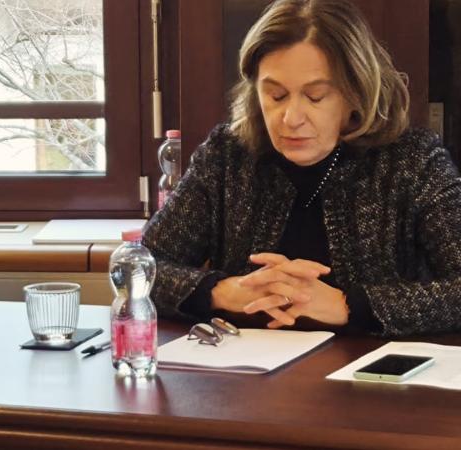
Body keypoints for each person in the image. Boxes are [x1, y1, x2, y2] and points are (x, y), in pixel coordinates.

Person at [143, 0, 461, 336]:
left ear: (356, 94)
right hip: (244, 364)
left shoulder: (412, 160)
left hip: (372, 367)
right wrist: (222, 292)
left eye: (316, 96)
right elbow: (140, 266)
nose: (291, 119)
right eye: (276, 96)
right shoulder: (227, 155)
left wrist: (348, 305)